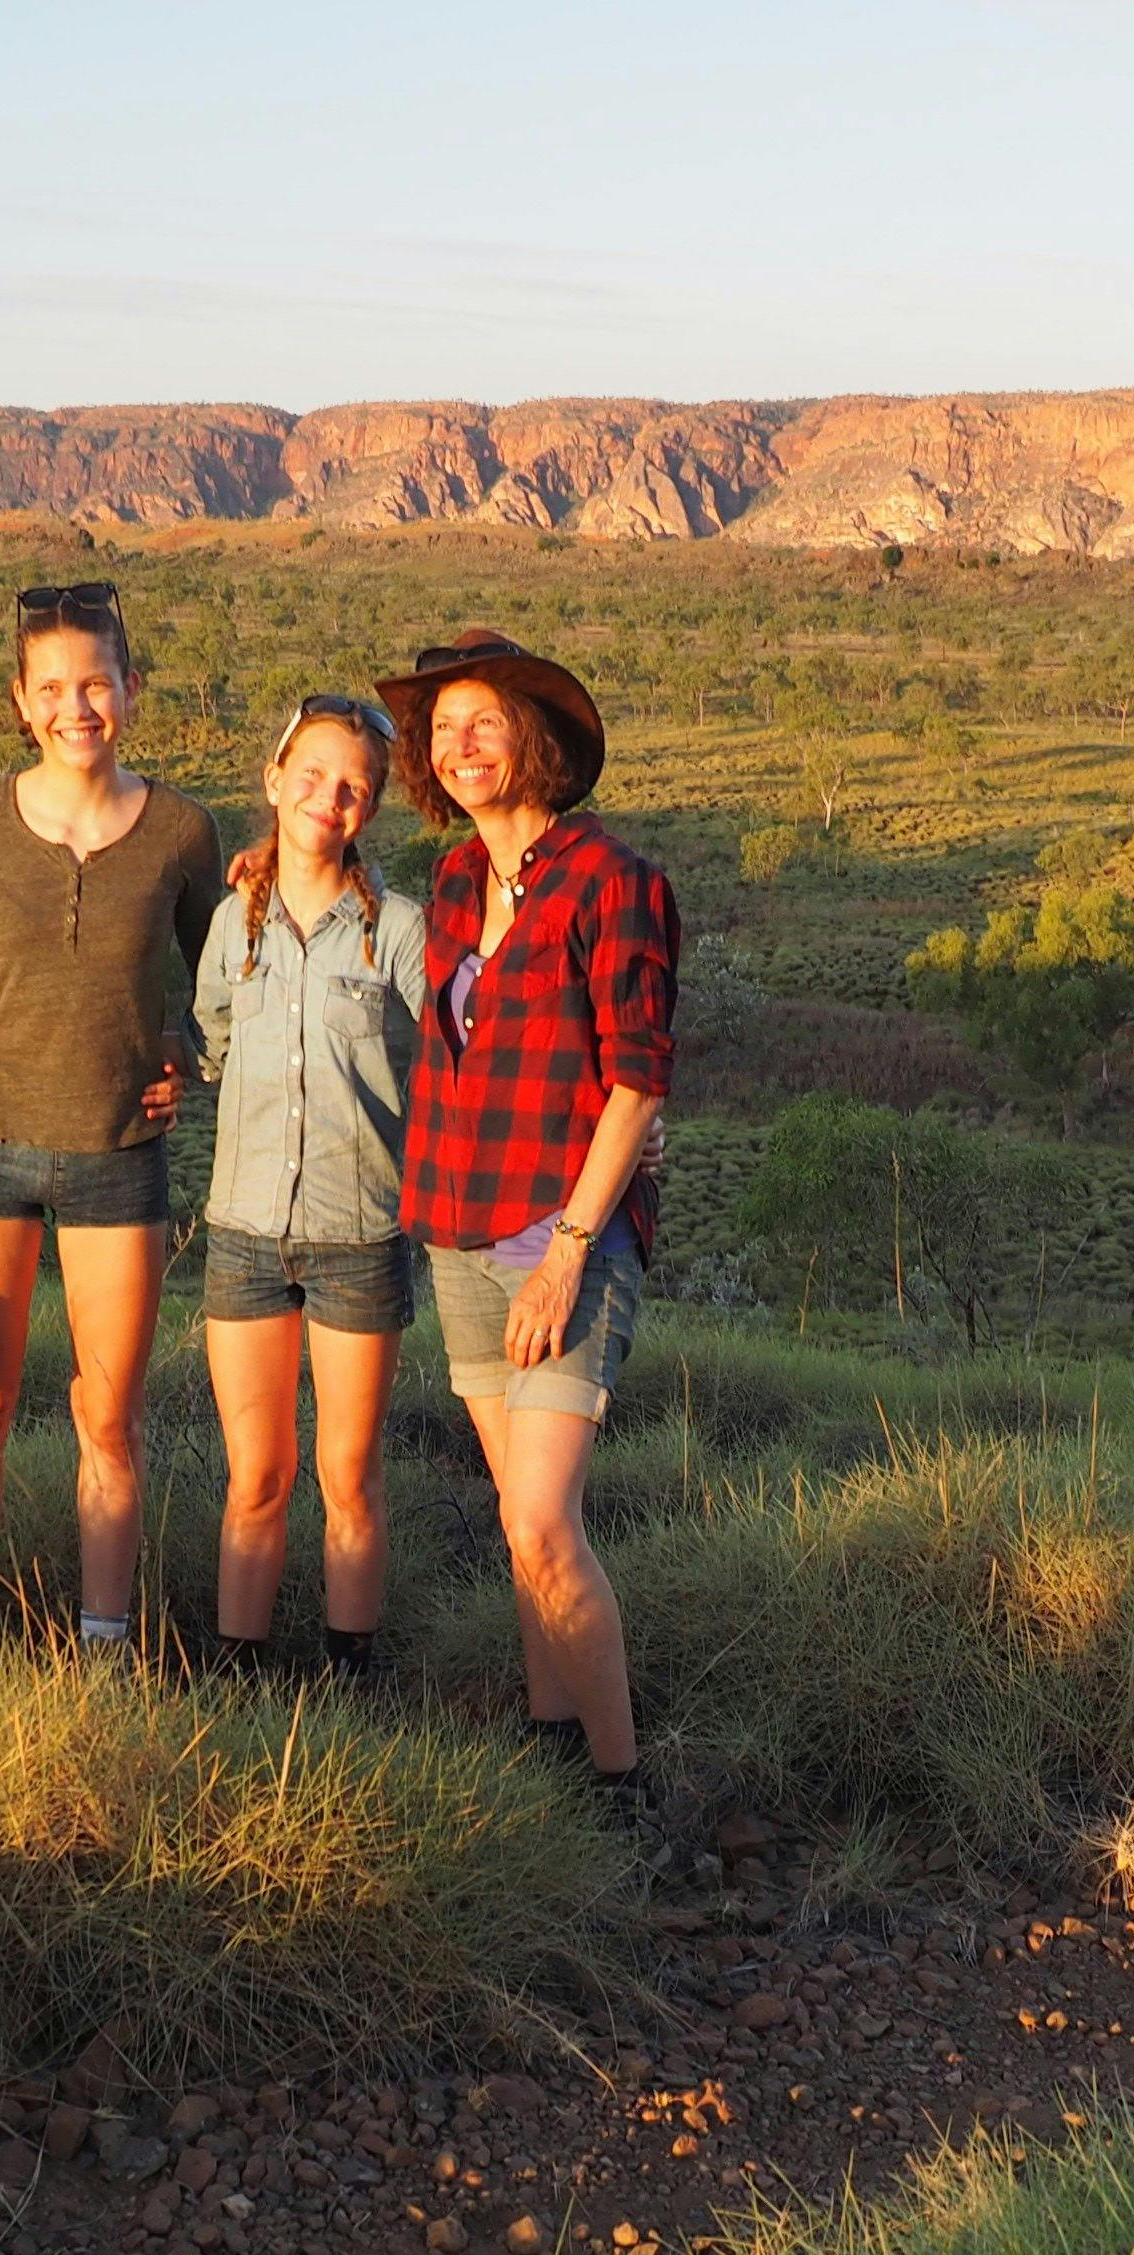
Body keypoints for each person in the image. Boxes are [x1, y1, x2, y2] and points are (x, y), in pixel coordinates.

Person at [381, 631, 672, 1823]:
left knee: (546, 1524)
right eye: (442, 729)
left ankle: (624, 1796)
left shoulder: (614, 882)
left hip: (560, 1236)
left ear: (536, 742)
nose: (460, 748)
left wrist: (569, 1249)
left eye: (483, 724)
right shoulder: (453, 883)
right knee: (519, 1526)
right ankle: (553, 1751)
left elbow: (639, 1080)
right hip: (456, 1220)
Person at [0, 581, 224, 1651]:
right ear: (21, 700)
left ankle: (105, 1647)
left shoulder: (184, 833)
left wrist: (188, 1061)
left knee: (108, 1420)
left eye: (95, 684)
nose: (76, 707)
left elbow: (226, 975)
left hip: (118, 1156)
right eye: (51, 687)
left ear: (132, 691)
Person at [191, 696, 421, 1676]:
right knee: (257, 1477)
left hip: (357, 1233)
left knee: (347, 1477)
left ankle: (348, 1678)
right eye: (314, 776)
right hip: (243, 1233)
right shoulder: (231, 922)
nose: (331, 799)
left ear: (369, 810)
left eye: (355, 789)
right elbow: (213, 1040)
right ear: (276, 779)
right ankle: (238, 1678)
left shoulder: (400, 931)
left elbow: (454, 1059)